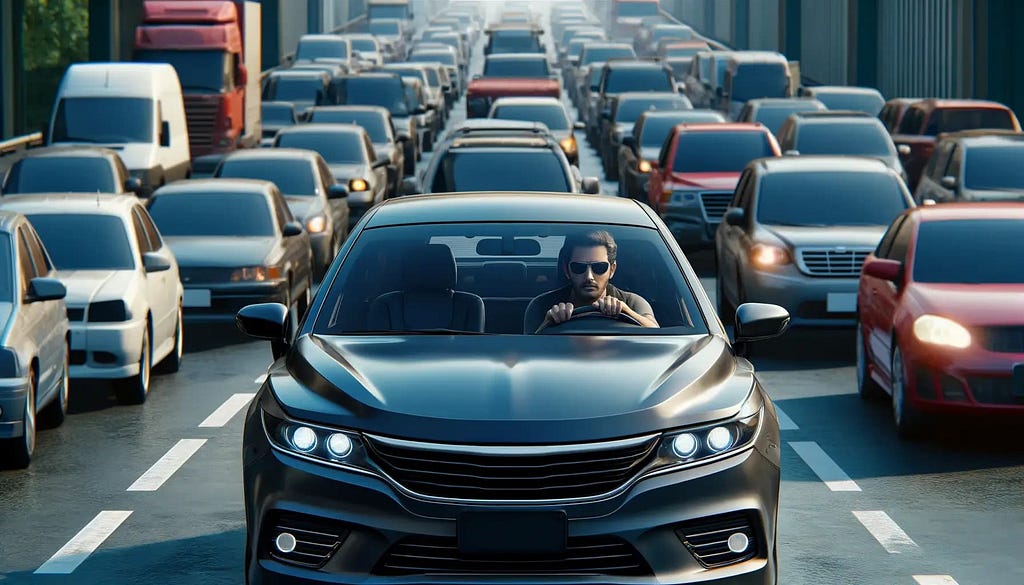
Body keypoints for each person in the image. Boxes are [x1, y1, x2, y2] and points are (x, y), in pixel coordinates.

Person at [526, 230, 659, 332]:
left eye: (599, 267)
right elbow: (528, 352)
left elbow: (659, 336)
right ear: (567, 270)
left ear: (612, 270)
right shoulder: (541, 306)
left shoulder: (632, 303)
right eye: (579, 267)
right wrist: (548, 322)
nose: (589, 276)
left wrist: (626, 311)